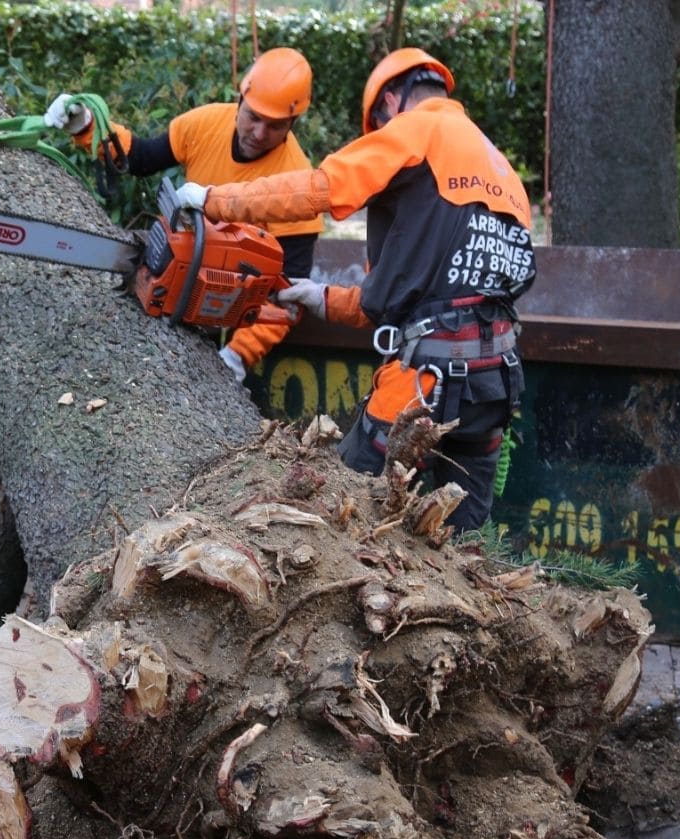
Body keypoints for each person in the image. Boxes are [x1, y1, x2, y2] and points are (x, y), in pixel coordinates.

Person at [170, 47, 535, 532]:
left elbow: (320, 189)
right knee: (459, 541)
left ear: (388, 101)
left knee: (345, 520)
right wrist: (316, 296)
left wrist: (215, 200)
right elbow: (424, 298)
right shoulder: (502, 171)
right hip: (494, 386)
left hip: (425, 382)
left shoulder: (417, 129)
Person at [43, 47, 324, 383]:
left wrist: (238, 354)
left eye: (275, 125)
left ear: (293, 122)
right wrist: (87, 127)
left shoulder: (297, 186)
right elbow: (142, 157)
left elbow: (288, 295)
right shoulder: (205, 124)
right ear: (240, 100)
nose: (259, 133)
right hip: (183, 272)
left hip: (230, 311)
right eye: (253, 117)